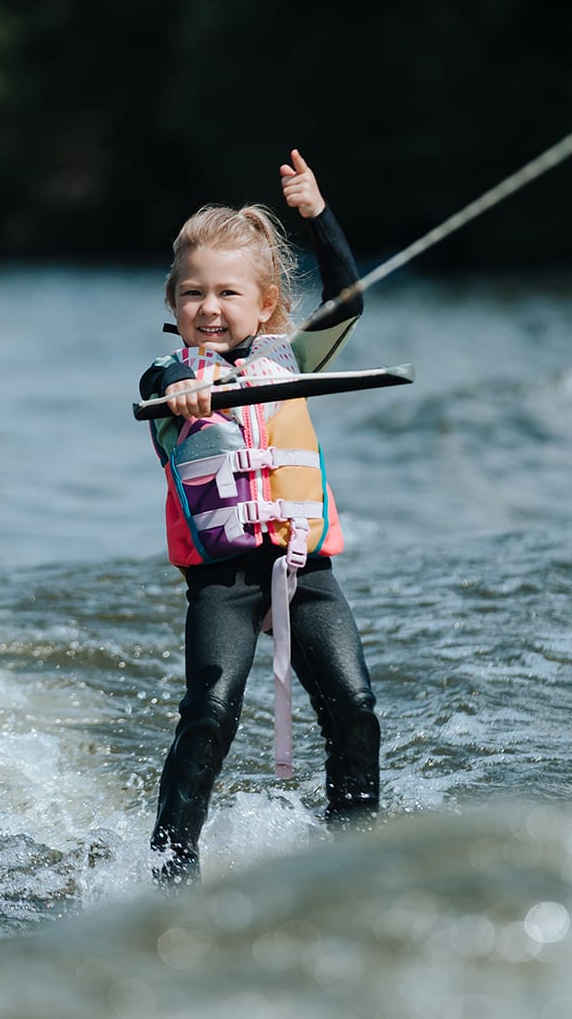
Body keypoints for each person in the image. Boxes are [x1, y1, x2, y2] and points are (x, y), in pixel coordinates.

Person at [139, 149, 380, 886]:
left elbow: (350, 300)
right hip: (224, 580)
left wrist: (316, 215)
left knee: (355, 707)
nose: (208, 309)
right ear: (175, 302)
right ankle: (171, 870)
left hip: (308, 570)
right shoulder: (167, 381)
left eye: (226, 293)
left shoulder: (296, 357)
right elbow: (169, 382)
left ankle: (355, 855)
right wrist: (187, 391)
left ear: (266, 303)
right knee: (210, 711)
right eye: (191, 294)